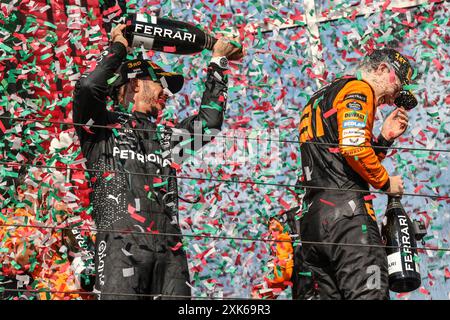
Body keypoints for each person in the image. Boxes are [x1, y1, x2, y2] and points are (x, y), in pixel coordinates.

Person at [72, 24, 243, 299]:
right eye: (159, 83)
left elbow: (209, 123)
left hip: (170, 252)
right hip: (120, 247)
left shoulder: (167, 137)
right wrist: (120, 47)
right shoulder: (101, 127)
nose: (167, 93)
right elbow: (90, 85)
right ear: (135, 83)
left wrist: (218, 61)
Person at [293, 48, 417, 300]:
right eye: (398, 85)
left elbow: (341, 157)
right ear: (382, 69)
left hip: (313, 225)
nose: (395, 98)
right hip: (347, 219)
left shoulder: (320, 97)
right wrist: (386, 183)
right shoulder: (358, 90)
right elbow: (353, 148)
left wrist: (383, 139)